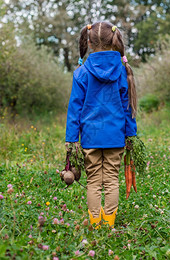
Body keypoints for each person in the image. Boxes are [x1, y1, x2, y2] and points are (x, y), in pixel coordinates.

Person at [65, 21, 138, 229]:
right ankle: (109, 223)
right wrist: (130, 135)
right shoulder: (123, 72)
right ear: (114, 41)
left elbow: (74, 110)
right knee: (112, 180)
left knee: (94, 182)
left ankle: (96, 225)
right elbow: (128, 109)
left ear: (88, 42)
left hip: (90, 137)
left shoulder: (81, 73)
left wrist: (71, 140)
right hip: (116, 136)